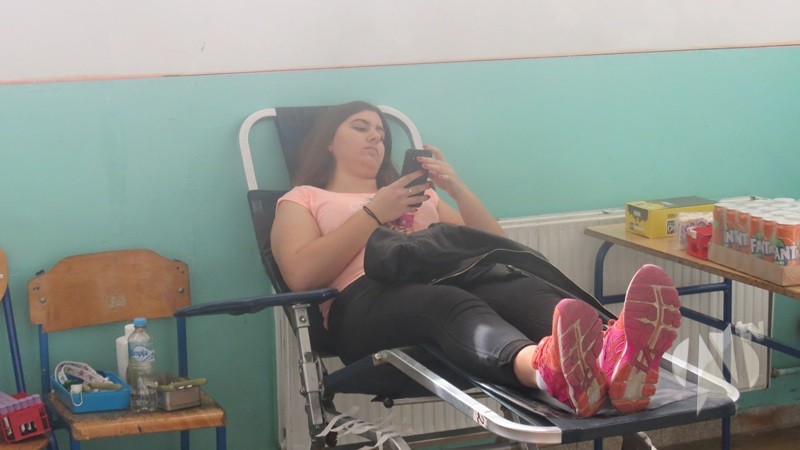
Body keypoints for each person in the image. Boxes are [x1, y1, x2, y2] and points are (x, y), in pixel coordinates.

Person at [270, 100, 682, 417]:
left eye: (381, 132)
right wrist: (375, 212)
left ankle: (615, 357)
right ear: (327, 141)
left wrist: (456, 189)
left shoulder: (420, 196)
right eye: (360, 128)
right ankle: (543, 369)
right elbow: (301, 275)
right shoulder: (303, 199)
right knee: (446, 303)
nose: (375, 138)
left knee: (516, 284)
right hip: (363, 303)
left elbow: (493, 245)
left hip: (447, 278)